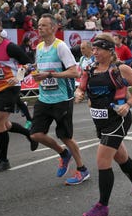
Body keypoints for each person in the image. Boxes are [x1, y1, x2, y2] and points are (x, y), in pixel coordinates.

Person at [74, 33, 132, 216]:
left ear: (108, 50)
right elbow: (81, 88)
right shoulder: (90, 69)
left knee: (102, 161)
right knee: (121, 156)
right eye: (94, 49)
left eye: (98, 49)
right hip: (100, 121)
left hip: (118, 120)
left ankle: (102, 207)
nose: (94, 52)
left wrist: (128, 104)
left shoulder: (120, 69)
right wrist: (79, 94)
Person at [30, 14, 89, 185]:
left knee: (65, 136)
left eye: (43, 25)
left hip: (62, 99)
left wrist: (49, 74)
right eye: (38, 25)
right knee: (35, 134)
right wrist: (34, 72)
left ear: (54, 28)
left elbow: (74, 72)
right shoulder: (39, 47)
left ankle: (82, 169)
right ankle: (63, 154)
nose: (39, 28)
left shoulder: (61, 47)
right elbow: (41, 69)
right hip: (44, 98)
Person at [0, 17, 38, 173]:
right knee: (5, 125)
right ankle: (28, 133)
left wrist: (18, 77)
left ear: (0, 29)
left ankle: (3, 160)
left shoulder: (10, 47)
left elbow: (29, 64)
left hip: (10, 88)